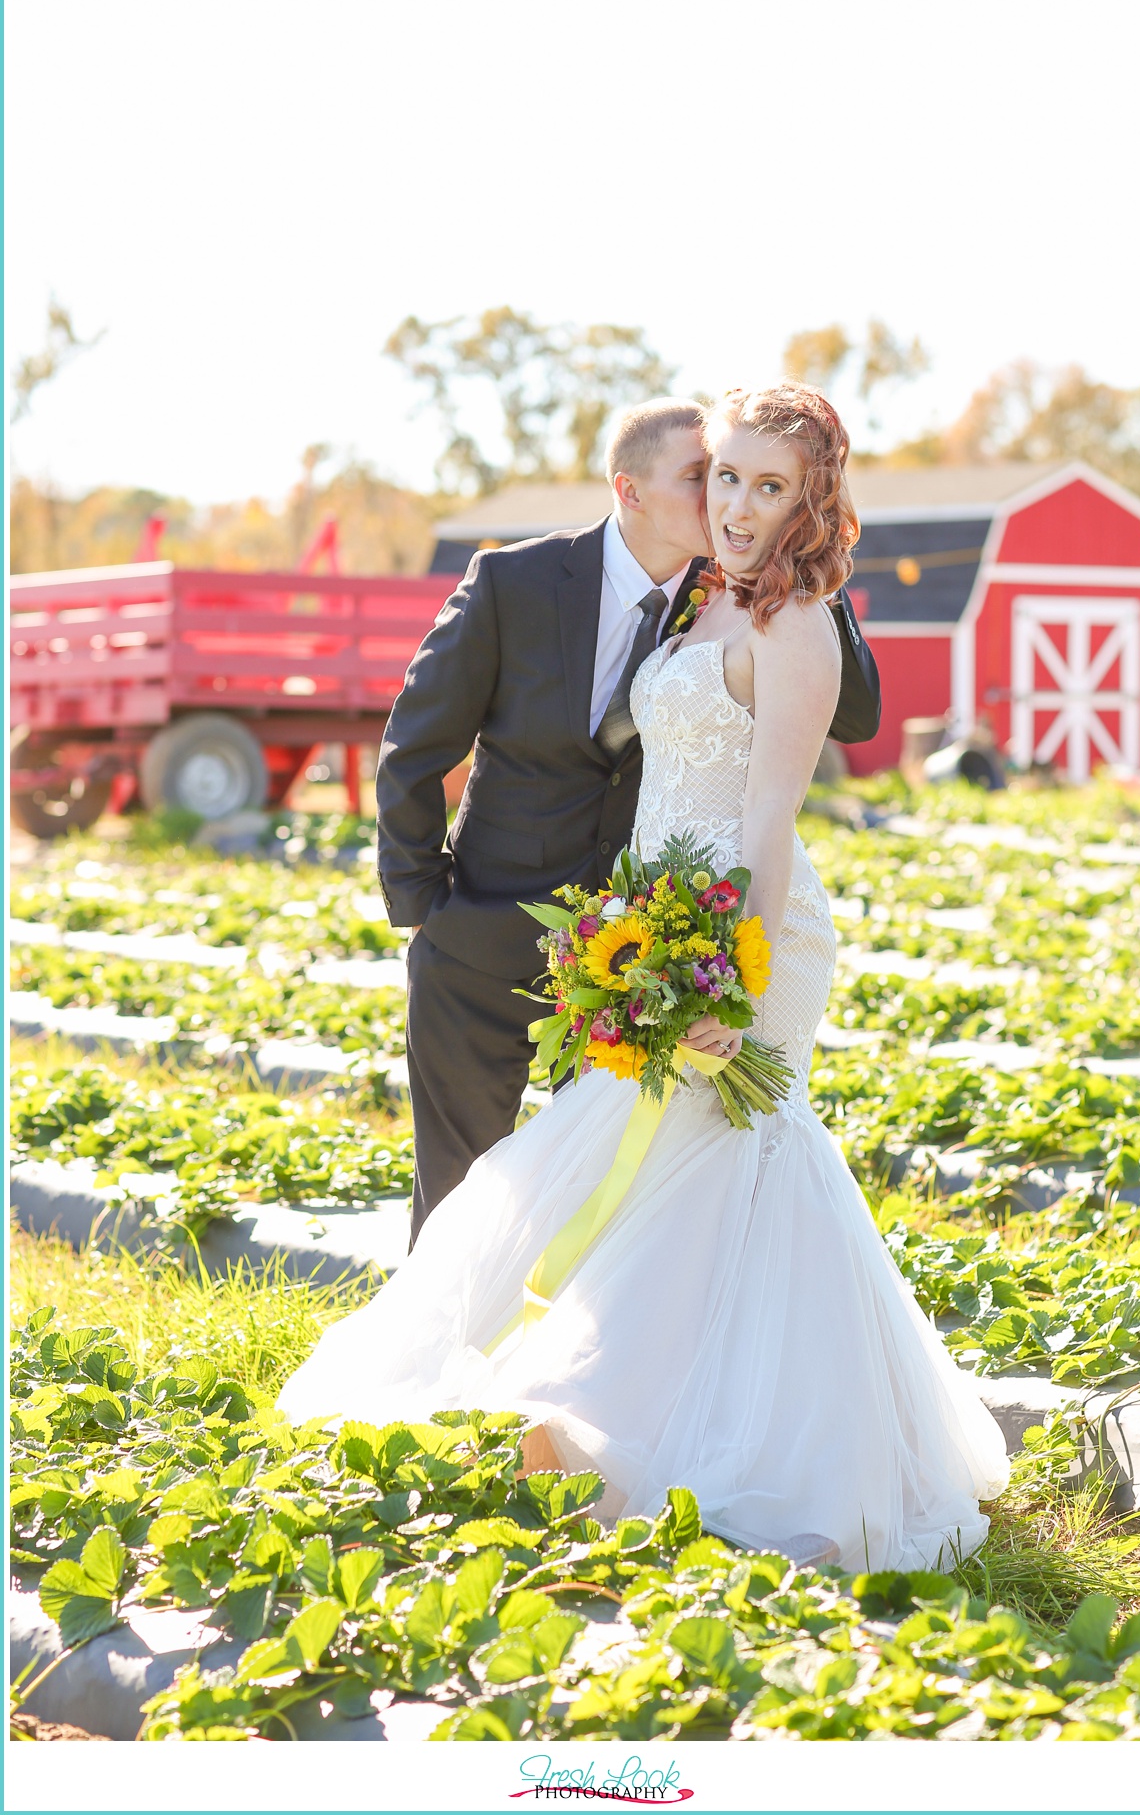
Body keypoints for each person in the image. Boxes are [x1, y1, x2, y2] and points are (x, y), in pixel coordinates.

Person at [281, 382, 1009, 1573]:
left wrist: (732, 972)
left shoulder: (797, 622)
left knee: (717, 1163)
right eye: (724, 477)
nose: (734, 504)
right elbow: (456, 736)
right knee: (633, 1166)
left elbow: (771, 816)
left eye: (769, 487)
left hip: (741, 929)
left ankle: (665, 1425)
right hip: (651, 919)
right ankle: (604, 1397)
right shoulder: (699, 602)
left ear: (811, 499)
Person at [374, 397, 881, 1245]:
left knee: (609, 1205)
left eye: (754, 485)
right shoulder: (515, 583)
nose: (728, 505)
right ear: (630, 489)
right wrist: (426, 905)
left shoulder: (737, 595)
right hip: (484, 935)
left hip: (643, 955)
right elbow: (414, 745)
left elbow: (854, 714)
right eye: (707, 478)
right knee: (459, 1206)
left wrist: (806, 556)